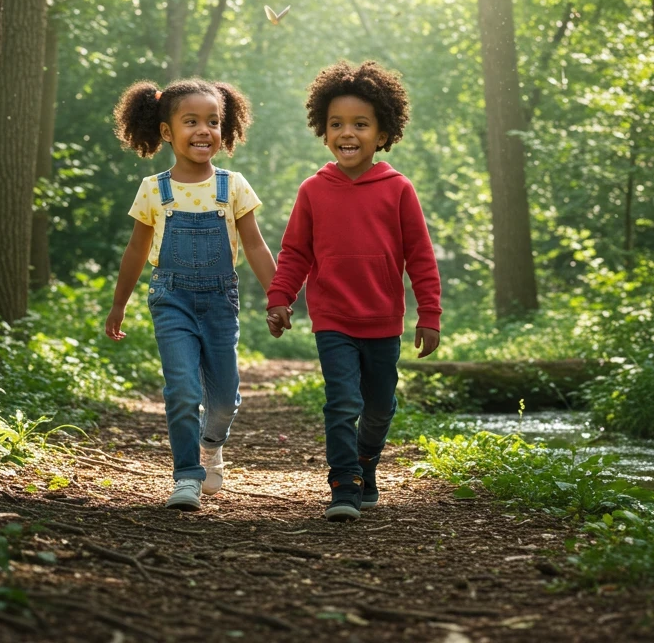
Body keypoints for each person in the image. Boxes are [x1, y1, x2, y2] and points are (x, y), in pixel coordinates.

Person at [266, 60, 442, 522]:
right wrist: (280, 298)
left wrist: (430, 314)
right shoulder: (313, 190)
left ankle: (366, 461)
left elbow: (421, 258)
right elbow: (295, 253)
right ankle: (343, 480)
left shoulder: (398, 189)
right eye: (337, 124)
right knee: (342, 400)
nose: (348, 133)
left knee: (380, 406)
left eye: (361, 124)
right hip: (333, 319)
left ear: (383, 133)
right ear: (324, 133)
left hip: (384, 320)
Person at [105, 78, 277, 511]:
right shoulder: (154, 189)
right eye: (192, 121)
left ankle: (211, 444)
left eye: (214, 122)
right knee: (181, 389)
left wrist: (279, 295)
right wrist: (119, 304)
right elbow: (136, 249)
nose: (205, 130)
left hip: (220, 301)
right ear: (167, 132)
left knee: (224, 399)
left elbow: (254, 245)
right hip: (171, 298)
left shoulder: (233, 186)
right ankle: (186, 475)